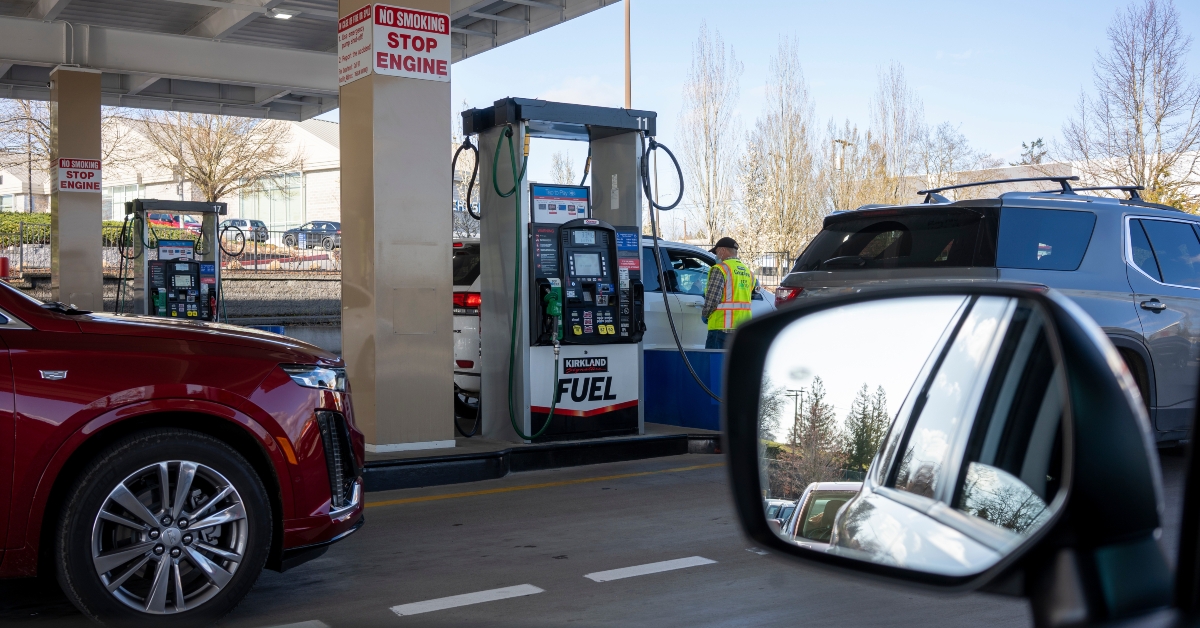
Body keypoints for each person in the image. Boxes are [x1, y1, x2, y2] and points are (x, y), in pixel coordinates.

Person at [701, 236, 756, 349]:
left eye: (716, 252)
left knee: (716, 364)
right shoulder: (749, 273)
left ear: (722, 250)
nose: (716, 256)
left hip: (721, 328)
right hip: (742, 329)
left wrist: (705, 314)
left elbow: (712, 299)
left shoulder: (720, 269)